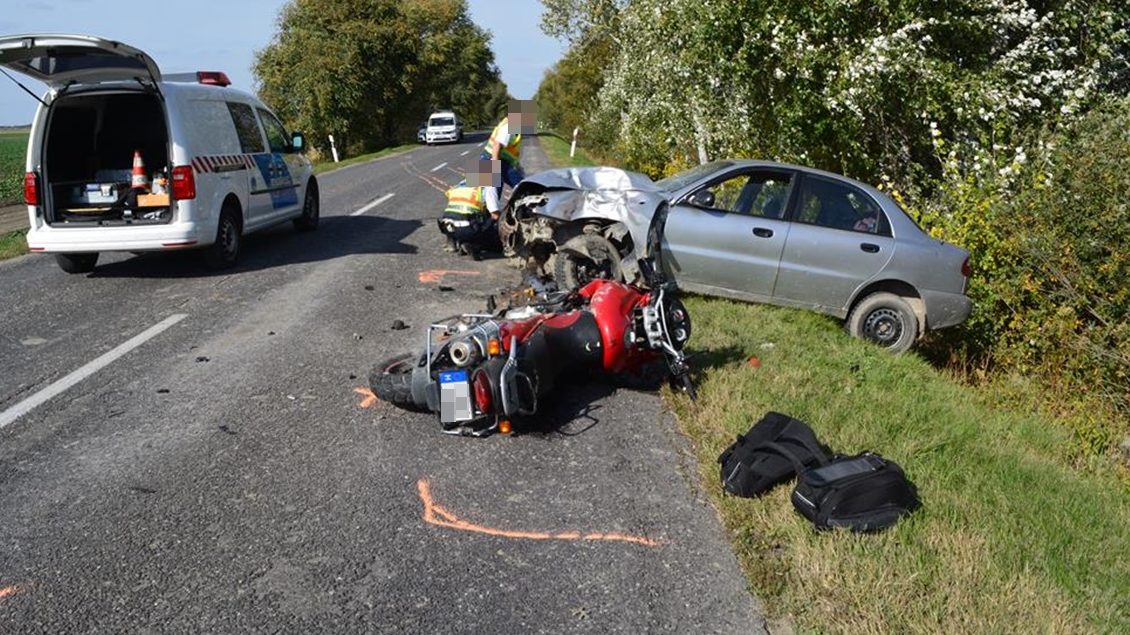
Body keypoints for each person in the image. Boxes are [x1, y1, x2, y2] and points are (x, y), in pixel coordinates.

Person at [439, 159, 503, 260]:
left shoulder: (459, 185)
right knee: (496, 240)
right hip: (466, 229)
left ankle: (457, 241)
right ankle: (473, 245)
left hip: (448, 227)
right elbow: (495, 215)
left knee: (464, 217)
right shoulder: (488, 187)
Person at [481, 99, 537, 199]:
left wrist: (517, 166)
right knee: (520, 187)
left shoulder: (513, 125)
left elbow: (510, 151)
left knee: (492, 195)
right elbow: (497, 145)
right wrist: (494, 166)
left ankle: (489, 212)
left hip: (494, 159)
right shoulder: (508, 126)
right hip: (493, 159)